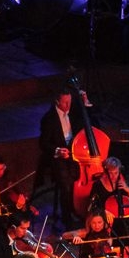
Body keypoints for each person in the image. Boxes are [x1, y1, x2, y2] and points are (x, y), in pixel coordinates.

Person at [38, 87, 88, 228]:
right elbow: (43, 143)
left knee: (80, 179)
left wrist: (85, 102)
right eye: (65, 102)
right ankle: (67, 217)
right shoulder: (48, 119)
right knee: (66, 184)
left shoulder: (73, 112)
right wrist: (58, 150)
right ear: (57, 101)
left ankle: (80, 210)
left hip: (74, 153)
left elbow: (90, 117)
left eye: (69, 102)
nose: (68, 105)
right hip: (58, 157)